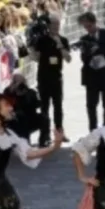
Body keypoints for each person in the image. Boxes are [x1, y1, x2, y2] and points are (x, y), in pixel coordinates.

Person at [28, 12, 69, 147]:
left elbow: (68, 58)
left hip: (57, 78)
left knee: (58, 107)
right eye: (53, 24)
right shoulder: (42, 39)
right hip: (44, 77)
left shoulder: (63, 40)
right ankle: (44, 135)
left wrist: (59, 45)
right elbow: (35, 57)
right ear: (49, 25)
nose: (55, 27)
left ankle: (59, 132)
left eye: (57, 24)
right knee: (44, 107)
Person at [77, 11, 105, 131]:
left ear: (94, 23)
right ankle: (93, 130)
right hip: (92, 76)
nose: (88, 29)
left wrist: (98, 49)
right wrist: (86, 52)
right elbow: (83, 59)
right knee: (91, 105)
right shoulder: (84, 39)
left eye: (89, 26)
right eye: (85, 27)